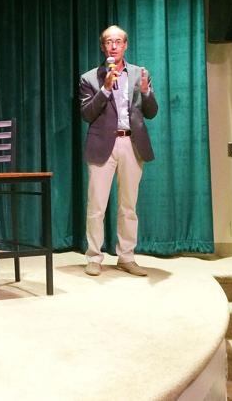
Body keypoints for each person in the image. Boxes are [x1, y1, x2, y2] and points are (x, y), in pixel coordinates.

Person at [79, 25, 158, 277]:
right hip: (102, 143)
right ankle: (94, 257)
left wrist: (145, 92)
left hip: (131, 144)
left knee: (128, 206)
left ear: (125, 45)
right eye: (108, 42)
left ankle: (126, 256)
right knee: (96, 205)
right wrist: (105, 88)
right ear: (103, 47)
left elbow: (151, 112)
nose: (114, 46)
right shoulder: (90, 77)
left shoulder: (139, 74)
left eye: (118, 41)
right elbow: (87, 113)